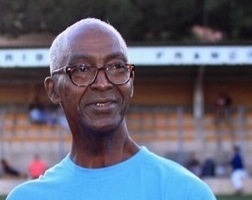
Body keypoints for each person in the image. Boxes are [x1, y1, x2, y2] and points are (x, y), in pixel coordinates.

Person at [7, 18, 216, 200]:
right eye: (82, 69)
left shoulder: (185, 192)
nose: (103, 83)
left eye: (116, 66)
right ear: (53, 90)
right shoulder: (28, 198)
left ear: (131, 81)